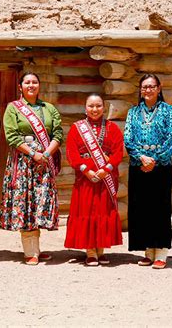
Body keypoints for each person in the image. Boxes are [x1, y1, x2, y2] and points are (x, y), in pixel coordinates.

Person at [0, 72, 63, 265]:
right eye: (27, 82)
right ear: (20, 86)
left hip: (44, 163)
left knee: (39, 202)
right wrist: (33, 154)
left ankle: (36, 247)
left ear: (39, 85)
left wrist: (46, 153)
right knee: (25, 202)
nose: (31, 85)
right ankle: (30, 251)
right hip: (23, 163)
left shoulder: (49, 108)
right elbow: (11, 136)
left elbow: (58, 133)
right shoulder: (13, 108)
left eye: (34, 82)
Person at [124, 74, 172, 269]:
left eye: (151, 86)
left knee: (160, 208)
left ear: (159, 88)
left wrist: (155, 159)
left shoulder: (169, 111)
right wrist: (141, 158)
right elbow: (128, 139)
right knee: (142, 207)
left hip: (161, 166)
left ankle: (161, 251)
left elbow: (171, 139)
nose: (148, 90)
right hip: (138, 166)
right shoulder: (133, 112)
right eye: (144, 87)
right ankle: (148, 250)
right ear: (140, 89)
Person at [64, 94, 123, 266]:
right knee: (87, 212)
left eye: (98, 106)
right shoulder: (77, 128)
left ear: (103, 107)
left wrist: (106, 170)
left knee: (103, 211)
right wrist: (86, 170)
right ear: (85, 108)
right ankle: (90, 251)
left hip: (106, 178)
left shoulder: (112, 128)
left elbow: (118, 152)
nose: (95, 109)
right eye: (91, 106)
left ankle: (101, 249)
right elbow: (72, 153)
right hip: (85, 178)